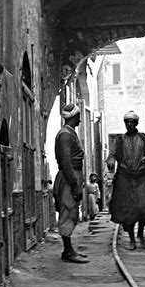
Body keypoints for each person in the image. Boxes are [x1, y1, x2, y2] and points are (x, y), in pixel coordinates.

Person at [107, 110, 145, 250]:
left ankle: (140, 233)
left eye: (132, 122)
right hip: (125, 178)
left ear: (136, 123)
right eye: (127, 122)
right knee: (128, 210)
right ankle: (132, 238)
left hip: (141, 177)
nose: (129, 125)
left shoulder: (143, 138)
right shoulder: (120, 140)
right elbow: (112, 154)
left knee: (143, 206)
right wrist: (111, 161)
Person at [53, 103, 89, 264]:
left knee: (71, 212)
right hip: (69, 178)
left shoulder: (69, 133)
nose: (80, 119)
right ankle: (68, 251)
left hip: (72, 176)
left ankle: (69, 250)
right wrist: (74, 184)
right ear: (74, 117)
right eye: (78, 116)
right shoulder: (66, 135)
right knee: (68, 213)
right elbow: (67, 162)